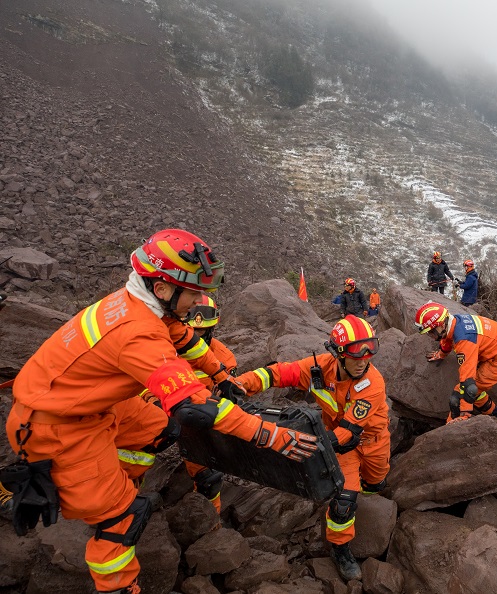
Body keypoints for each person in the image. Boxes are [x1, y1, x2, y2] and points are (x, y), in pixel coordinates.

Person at [3, 229, 318, 594]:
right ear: (164, 288)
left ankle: (117, 480)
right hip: (56, 426)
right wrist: (270, 435)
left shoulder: (138, 301)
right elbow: (194, 407)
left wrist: (219, 374)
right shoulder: (138, 335)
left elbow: (182, 337)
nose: (200, 299)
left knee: (158, 426)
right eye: (195, 291)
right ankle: (116, 566)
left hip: (86, 404)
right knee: (123, 519)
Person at [235, 315, 388, 582]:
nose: (364, 359)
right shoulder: (319, 369)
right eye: (356, 352)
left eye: (370, 349)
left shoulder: (372, 384)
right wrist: (240, 385)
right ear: (338, 354)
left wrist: (305, 443)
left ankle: (373, 491)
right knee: (343, 502)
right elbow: (277, 373)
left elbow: (347, 434)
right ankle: (341, 548)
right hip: (344, 449)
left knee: (377, 483)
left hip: (371, 442)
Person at [415, 302, 497, 423]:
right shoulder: (454, 322)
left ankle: (454, 427)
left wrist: (464, 413)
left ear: (441, 325)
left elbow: (468, 382)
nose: (429, 335)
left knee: (457, 397)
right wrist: (441, 353)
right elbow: (448, 338)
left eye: (431, 332)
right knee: (477, 393)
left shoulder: (464, 339)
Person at [181, 295, 237, 514]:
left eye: (201, 332)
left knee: (209, 479)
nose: (194, 338)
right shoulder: (164, 348)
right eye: (191, 331)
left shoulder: (224, 358)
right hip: (160, 413)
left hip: (198, 420)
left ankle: (208, 525)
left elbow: (225, 399)